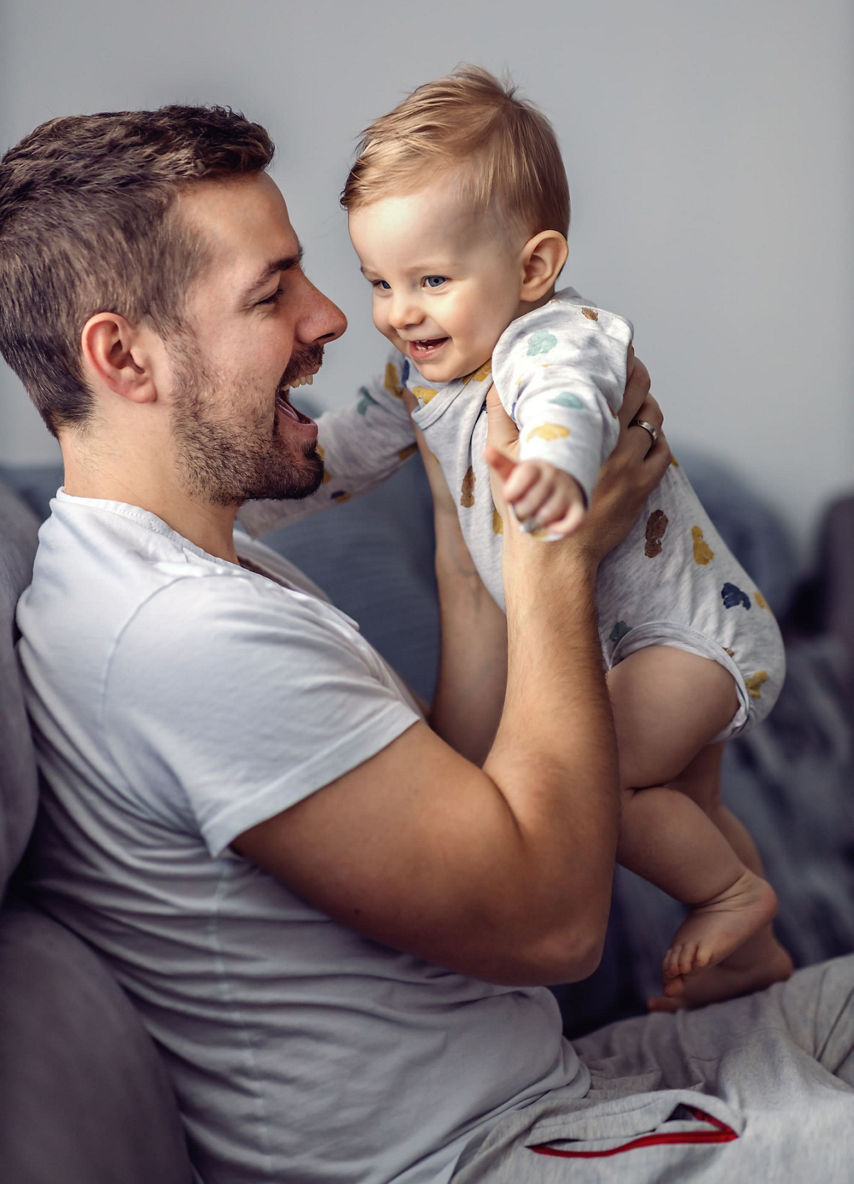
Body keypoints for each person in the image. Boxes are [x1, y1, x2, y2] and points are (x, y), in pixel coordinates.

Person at [0, 105, 851, 1184]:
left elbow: (459, 794)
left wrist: (468, 532)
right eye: (271, 292)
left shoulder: (200, 571)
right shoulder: (176, 635)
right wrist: (554, 557)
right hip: (476, 1155)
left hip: (544, 1094)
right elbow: (552, 925)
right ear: (124, 355)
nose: (333, 317)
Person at [241, 67, 791, 1006]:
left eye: (431, 280)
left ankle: (734, 894)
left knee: (599, 795)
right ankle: (756, 952)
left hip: (689, 641)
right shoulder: (415, 376)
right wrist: (246, 507)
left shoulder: (550, 339)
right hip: (634, 647)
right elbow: (342, 457)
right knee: (682, 807)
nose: (397, 309)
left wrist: (554, 472)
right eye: (378, 279)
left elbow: (571, 406)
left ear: (531, 268)